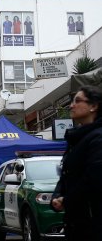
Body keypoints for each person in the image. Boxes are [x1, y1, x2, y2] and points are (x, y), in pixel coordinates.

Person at [51, 85, 102, 241]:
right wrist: (57, 195)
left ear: (93, 106)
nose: (72, 105)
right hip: (76, 222)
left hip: (93, 223)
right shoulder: (77, 139)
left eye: (77, 101)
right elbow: (66, 174)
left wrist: (66, 200)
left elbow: (94, 178)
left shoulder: (97, 138)